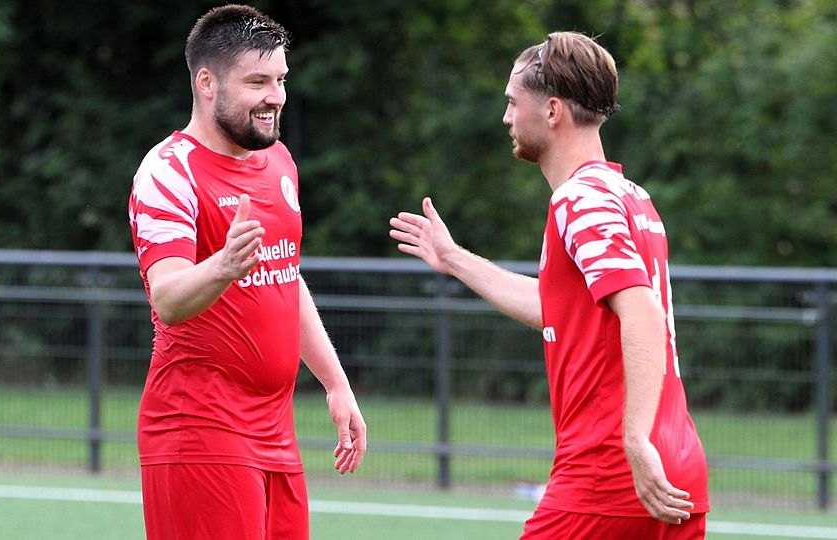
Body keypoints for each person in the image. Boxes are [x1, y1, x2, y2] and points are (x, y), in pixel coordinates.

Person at [390, 31, 709, 539]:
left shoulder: (580, 201)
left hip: (609, 472)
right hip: (677, 460)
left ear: (553, 110)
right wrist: (454, 259)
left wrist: (633, 439)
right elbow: (562, 309)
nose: (507, 118)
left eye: (513, 103)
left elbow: (642, 312)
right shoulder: (629, 195)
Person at [127, 5, 366, 539]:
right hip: (199, 431)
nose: (275, 96)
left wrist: (335, 383)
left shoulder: (278, 160)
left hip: (276, 432)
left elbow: (286, 276)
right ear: (207, 82)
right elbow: (167, 296)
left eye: (280, 80)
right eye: (257, 81)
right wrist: (224, 265)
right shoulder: (168, 171)